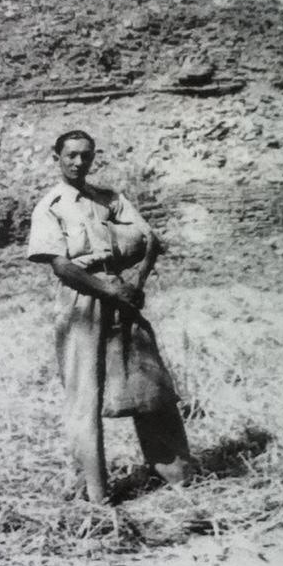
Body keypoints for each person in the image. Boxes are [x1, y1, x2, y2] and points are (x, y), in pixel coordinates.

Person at [27, 129, 192, 504]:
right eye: (71, 155)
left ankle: (178, 477)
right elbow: (61, 266)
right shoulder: (50, 206)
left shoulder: (110, 198)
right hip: (81, 301)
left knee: (151, 384)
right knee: (84, 394)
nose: (78, 162)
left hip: (122, 294)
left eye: (86, 155)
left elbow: (150, 239)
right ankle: (96, 494)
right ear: (57, 158)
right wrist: (107, 290)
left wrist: (136, 282)